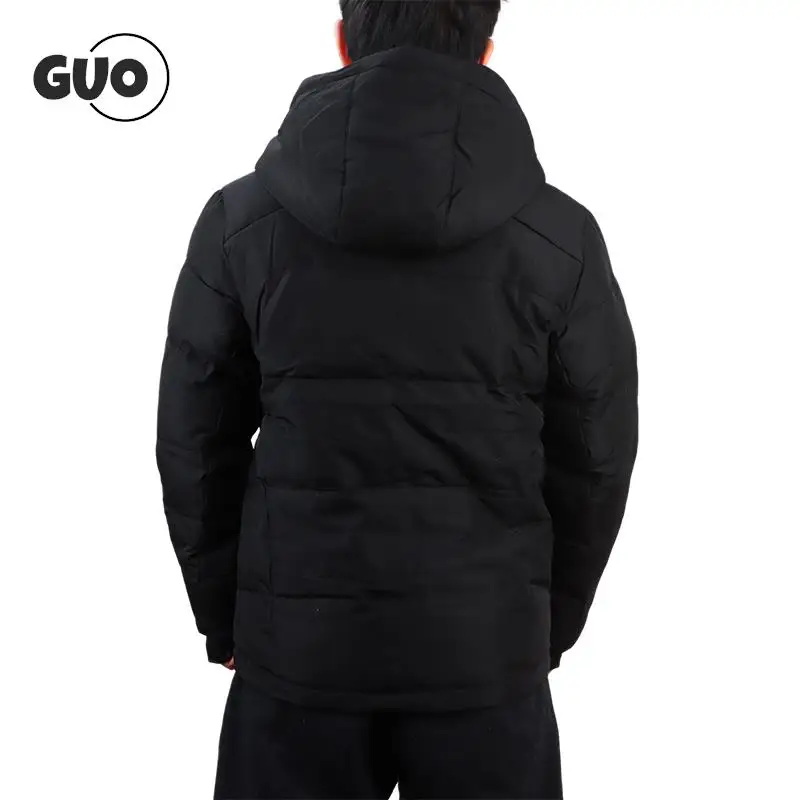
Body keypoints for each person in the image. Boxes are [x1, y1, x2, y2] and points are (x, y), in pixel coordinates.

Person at [155, 1, 639, 797]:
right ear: (485, 51)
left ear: (343, 42)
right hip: (485, 657)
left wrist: (226, 616)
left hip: (298, 660)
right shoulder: (562, 237)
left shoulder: (240, 223)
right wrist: (544, 624)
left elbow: (194, 442)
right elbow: (596, 455)